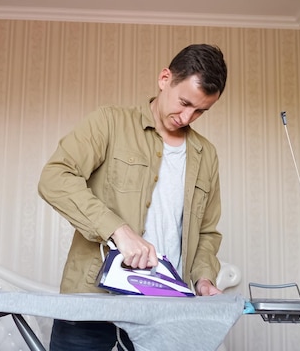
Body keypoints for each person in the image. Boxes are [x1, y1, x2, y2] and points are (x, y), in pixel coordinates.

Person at [38, 43, 228, 351]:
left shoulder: (206, 154)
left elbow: (207, 232)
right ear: (164, 78)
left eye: (200, 111)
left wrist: (204, 279)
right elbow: (55, 177)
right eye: (184, 103)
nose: (187, 117)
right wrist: (119, 231)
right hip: (91, 304)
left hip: (164, 311)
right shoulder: (109, 122)